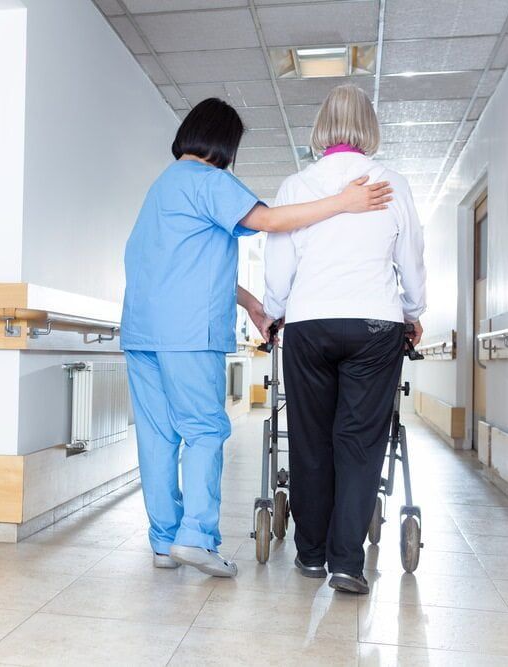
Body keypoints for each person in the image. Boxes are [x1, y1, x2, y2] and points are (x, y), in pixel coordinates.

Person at [121, 97, 393, 577]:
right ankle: (196, 539)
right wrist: (343, 202)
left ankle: (164, 541)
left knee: (158, 436)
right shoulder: (209, 181)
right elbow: (268, 221)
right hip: (188, 333)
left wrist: (250, 304)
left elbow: (181, 267)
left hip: (143, 331)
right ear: (225, 142)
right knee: (205, 429)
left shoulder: (160, 189)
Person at [263, 84, 427, 593]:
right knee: (359, 442)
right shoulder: (393, 182)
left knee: (311, 439)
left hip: (309, 324)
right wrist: (413, 312)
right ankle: (346, 563)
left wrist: (272, 314)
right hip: (376, 324)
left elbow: (278, 265)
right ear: (369, 128)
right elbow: (412, 260)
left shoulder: (296, 185)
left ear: (320, 128)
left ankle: (310, 555)